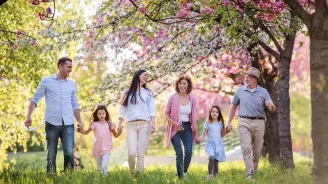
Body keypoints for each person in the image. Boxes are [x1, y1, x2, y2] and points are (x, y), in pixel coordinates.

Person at [24, 57, 83, 174]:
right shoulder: (46, 81)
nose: (71, 69)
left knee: (69, 152)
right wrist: (28, 115)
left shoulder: (71, 84)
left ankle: (69, 177)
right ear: (60, 66)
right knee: (51, 153)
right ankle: (50, 177)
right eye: (69, 67)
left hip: (68, 123)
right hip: (51, 123)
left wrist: (79, 121)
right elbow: (35, 99)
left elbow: (74, 104)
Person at [226, 67, 276, 179]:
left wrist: (271, 106)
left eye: (249, 77)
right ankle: (250, 173)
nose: (246, 78)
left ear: (255, 79)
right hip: (244, 121)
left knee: (257, 151)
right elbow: (233, 108)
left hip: (259, 122)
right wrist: (228, 122)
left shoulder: (263, 92)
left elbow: (273, 109)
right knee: (246, 147)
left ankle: (253, 171)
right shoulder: (239, 91)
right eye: (246, 76)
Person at [117, 69, 156, 176]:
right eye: (145, 75)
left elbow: (152, 109)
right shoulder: (127, 92)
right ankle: (132, 173)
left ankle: (139, 175)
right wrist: (119, 124)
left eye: (148, 76)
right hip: (131, 125)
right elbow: (122, 109)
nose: (147, 77)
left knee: (141, 153)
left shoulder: (148, 93)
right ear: (137, 76)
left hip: (145, 124)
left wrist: (153, 123)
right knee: (131, 152)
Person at [164, 75, 198, 179]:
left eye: (184, 83)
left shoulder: (192, 99)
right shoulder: (173, 97)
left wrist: (194, 129)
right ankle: (180, 177)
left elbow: (193, 115)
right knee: (179, 153)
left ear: (188, 85)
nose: (182, 85)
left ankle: (184, 172)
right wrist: (174, 123)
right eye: (180, 83)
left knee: (189, 151)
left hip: (187, 128)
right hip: (175, 128)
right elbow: (166, 114)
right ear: (177, 85)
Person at [77, 105, 121, 175]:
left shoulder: (109, 124)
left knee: (105, 165)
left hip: (107, 148)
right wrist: (80, 131)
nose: (101, 115)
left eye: (103, 113)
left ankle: (105, 178)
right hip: (97, 148)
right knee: (99, 168)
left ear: (106, 114)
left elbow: (115, 135)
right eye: (99, 114)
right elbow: (86, 132)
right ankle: (100, 179)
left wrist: (120, 132)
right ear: (96, 115)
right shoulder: (95, 124)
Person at [198, 105, 230, 181]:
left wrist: (227, 132)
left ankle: (215, 178)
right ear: (210, 113)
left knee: (216, 162)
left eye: (216, 112)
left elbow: (221, 135)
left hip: (218, 144)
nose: (214, 113)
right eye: (213, 112)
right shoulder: (207, 123)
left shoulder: (220, 124)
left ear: (219, 114)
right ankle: (209, 175)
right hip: (210, 144)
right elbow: (203, 135)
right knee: (211, 157)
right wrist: (198, 139)